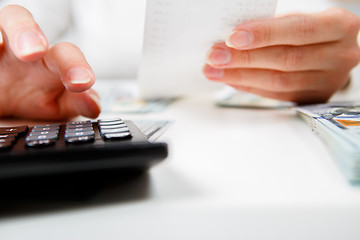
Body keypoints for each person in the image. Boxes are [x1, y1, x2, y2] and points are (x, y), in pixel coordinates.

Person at [0, 0, 359, 120]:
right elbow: (27, 21)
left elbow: (329, 29)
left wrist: (336, 70)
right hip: (88, 115)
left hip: (267, 141)